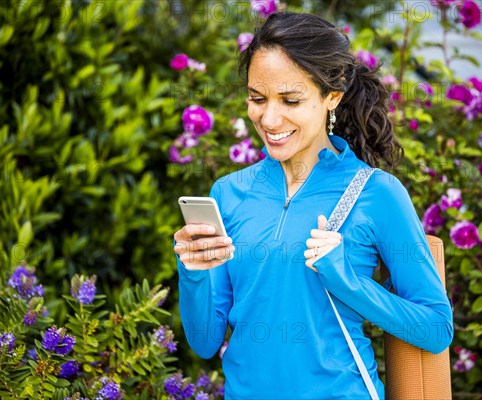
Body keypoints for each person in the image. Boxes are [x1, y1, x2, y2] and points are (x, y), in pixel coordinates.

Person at [174, 12, 453, 399]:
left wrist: (349, 284)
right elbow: (205, 342)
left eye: (290, 99)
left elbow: (436, 328)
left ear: (332, 97)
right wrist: (191, 269)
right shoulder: (229, 193)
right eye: (257, 98)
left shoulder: (377, 193)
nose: (269, 117)